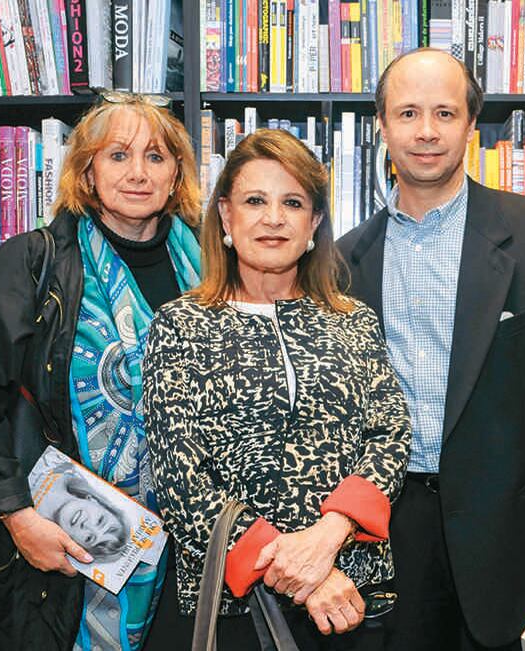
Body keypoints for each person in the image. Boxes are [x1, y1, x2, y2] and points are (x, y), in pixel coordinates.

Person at [336, 48, 525, 650]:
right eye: (407, 113)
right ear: (381, 126)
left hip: (509, 535)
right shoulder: (344, 259)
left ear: (470, 124)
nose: (426, 131)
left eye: (444, 112)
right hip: (385, 535)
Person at [0, 92, 202, 651]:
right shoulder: (33, 261)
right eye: (118, 156)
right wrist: (19, 521)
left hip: (190, 559)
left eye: (156, 157)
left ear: (177, 174)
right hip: (56, 556)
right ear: (87, 172)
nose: (138, 173)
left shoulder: (213, 269)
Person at [143, 128, 411, 650]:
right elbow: (182, 479)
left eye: (292, 202)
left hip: (353, 600)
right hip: (238, 609)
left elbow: (391, 437)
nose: (273, 218)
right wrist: (303, 574)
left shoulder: (352, 321)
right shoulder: (180, 325)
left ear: (313, 223)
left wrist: (328, 539)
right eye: (254, 201)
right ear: (225, 217)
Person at [33, 461, 131, 563]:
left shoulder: (31, 536)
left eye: (89, 538)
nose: (87, 525)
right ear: (96, 501)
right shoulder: (63, 464)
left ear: (74, 543)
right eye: (100, 520)